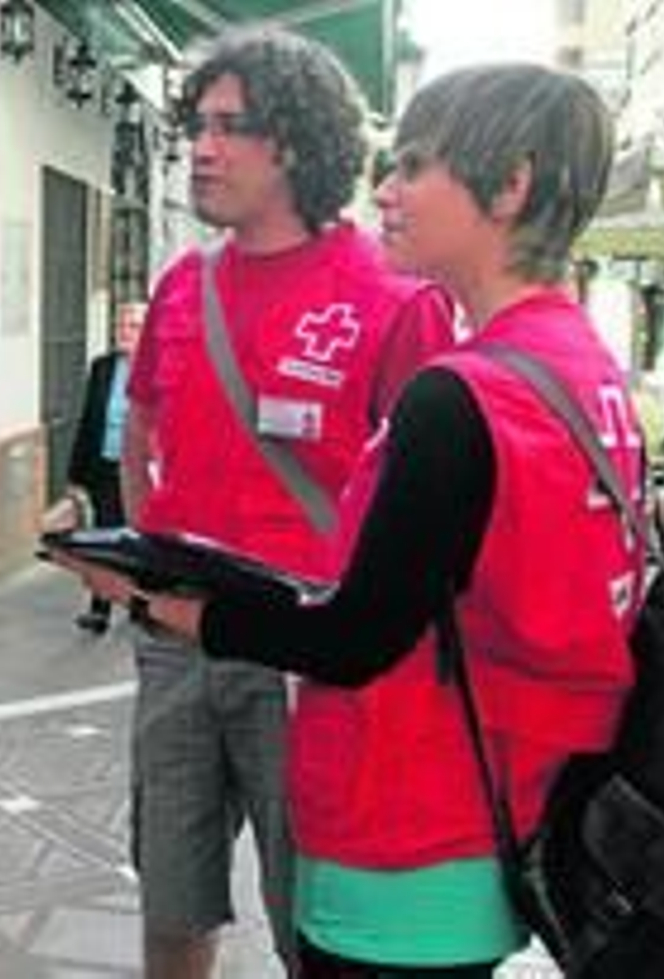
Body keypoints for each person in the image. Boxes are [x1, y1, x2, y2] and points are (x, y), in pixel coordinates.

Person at [65, 63, 636, 976]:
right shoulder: (581, 367)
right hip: (485, 789)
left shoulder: (461, 383)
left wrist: (195, 614)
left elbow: (360, 632)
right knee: (175, 903)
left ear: (512, 184)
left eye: (414, 166)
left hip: (406, 801)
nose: (388, 191)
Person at [109, 29, 456, 979]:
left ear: (296, 144)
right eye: (198, 126)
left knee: (314, 919)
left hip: (308, 660)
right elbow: (140, 434)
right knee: (171, 901)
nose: (202, 149)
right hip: (178, 645)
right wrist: (148, 580)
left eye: (233, 128)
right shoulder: (186, 284)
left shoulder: (393, 298)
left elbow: (427, 503)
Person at [61, 300, 145, 635]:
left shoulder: (159, 367)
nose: (124, 332)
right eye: (120, 325)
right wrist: (76, 474)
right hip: (105, 467)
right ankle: (99, 609)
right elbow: (88, 420)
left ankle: (140, 604)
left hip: (140, 471)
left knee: (138, 541)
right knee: (105, 538)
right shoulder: (102, 367)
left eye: (134, 326)